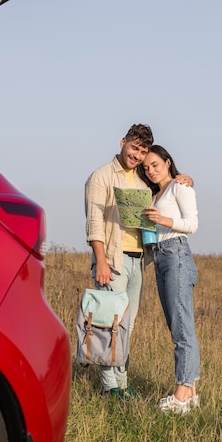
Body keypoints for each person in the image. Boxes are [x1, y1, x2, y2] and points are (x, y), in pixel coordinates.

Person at [85, 125, 192, 399]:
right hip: (112, 259)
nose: (137, 156)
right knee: (110, 323)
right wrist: (101, 262)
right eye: (135, 148)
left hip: (139, 261)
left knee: (127, 325)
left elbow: (169, 191)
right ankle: (111, 388)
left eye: (143, 152)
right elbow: (95, 224)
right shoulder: (101, 177)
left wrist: (185, 178)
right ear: (123, 143)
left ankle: (122, 380)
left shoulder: (144, 182)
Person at [139, 145, 200, 414]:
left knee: (182, 328)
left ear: (167, 162)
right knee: (176, 325)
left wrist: (161, 218)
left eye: (155, 165)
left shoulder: (179, 187)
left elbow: (192, 224)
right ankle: (192, 392)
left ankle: (182, 394)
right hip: (161, 257)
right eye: (146, 168)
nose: (151, 171)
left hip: (176, 254)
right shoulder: (156, 194)